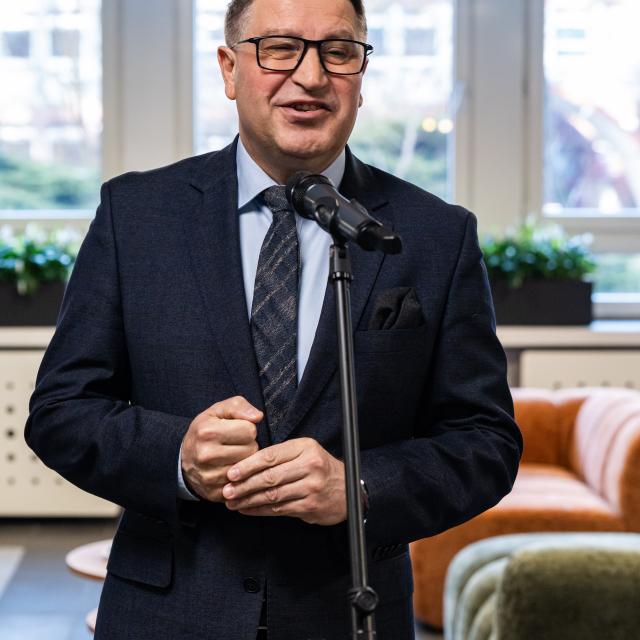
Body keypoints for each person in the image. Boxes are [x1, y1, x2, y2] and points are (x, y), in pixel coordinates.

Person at [25, 0, 522, 638]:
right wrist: (177, 457)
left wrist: (358, 488)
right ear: (229, 69)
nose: (311, 77)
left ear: (361, 76)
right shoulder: (136, 215)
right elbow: (61, 411)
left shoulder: (436, 235)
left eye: (338, 52)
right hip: (167, 613)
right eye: (280, 48)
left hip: (347, 614)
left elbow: (485, 441)